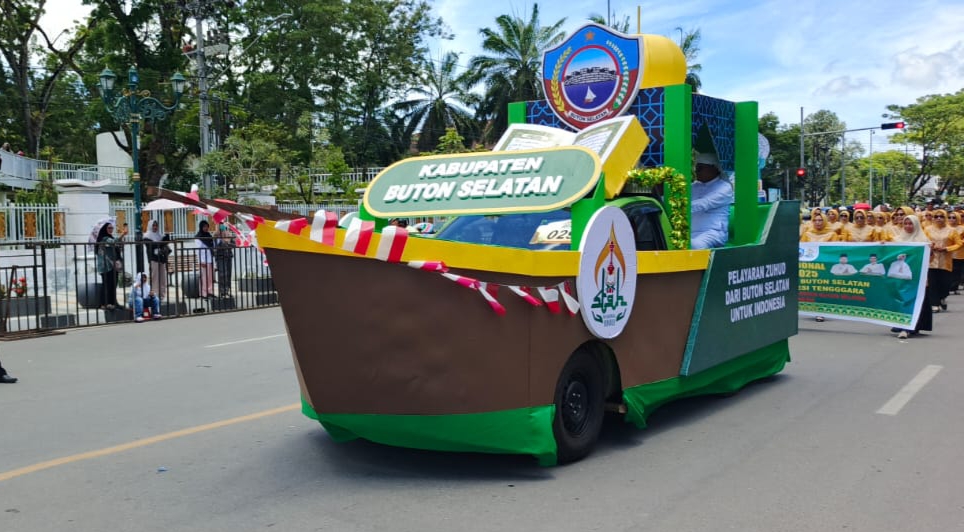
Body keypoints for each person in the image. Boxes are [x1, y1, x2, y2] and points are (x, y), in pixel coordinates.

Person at [891, 215, 932, 338]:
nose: (908, 226)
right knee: (901, 299)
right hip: (901, 277)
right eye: (906, 224)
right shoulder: (897, 240)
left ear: (916, 225)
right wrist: (883, 245)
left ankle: (911, 326)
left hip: (916, 276)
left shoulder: (923, 240)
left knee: (915, 299)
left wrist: (931, 250)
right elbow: (890, 254)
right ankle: (900, 323)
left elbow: (929, 259)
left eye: (911, 224)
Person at [690, 151, 733, 249]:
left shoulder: (724, 187)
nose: (696, 171)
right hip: (690, 233)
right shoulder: (693, 186)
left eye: (700, 168)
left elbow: (703, 203)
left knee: (694, 246)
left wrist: (679, 206)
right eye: (696, 168)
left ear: (714, 168)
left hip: (712, 233)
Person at [923, 208, 960, 312]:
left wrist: (947, 249)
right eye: (936, 216)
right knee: (932, 283)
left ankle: (942, 297)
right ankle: (934, 304)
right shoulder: (927, 229)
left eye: (941, 216)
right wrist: (930, 246)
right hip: (931, 260)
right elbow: (923, 241)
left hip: (945, 261)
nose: (939, 218)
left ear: (945, 218)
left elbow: (959, 243)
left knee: (945, 283)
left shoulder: (952, 230)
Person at [96, 222, 127, 309]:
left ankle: (113, 302)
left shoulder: (110, 237)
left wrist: (121, 243)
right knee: (107, 285)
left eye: (112, 228)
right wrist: (122, 234)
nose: (111, 230)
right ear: (105, 229)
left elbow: (116, 245)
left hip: (113, 265)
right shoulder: (104, 238)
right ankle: (104, 303)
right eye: (109, 228)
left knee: (113, 285)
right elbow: (113, 242)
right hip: (106, 266)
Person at [144, 220, 171, 301]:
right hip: (153, 259)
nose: (155, 227)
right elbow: (153, 245)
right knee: (155, 278)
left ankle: (162, 295)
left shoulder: (159, 235)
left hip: (161, 259)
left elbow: (165, 241)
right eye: (153, 225)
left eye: (156, 225)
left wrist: (167, 233)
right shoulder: (147, 236)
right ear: (150, 226)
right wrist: (161, 243)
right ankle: (155, 295)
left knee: (162, 278)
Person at [194, 220, 215, 298]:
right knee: (204, 277)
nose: (206, 228)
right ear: (201, 227)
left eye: (207, 226)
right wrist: (200, 261)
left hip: (210, 259)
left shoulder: (209, 235)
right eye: (204, 227)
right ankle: (203, 293)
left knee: (210, 277)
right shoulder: (198, 237)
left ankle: (210, 292)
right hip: (203, 260)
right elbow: (198, 250)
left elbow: (212, 246)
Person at [214, 225, 235, 298]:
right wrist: (222, 241)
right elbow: (216, 247)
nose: (223, 230)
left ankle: (227, 290)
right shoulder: (216, 236)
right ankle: (222, 291)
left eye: (224, 229)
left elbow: (234, 245)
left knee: (228, 274)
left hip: (228, 256)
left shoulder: (229, 235)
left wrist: (228, 241)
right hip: (220, 257)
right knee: (222, 274)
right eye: (221, 229)